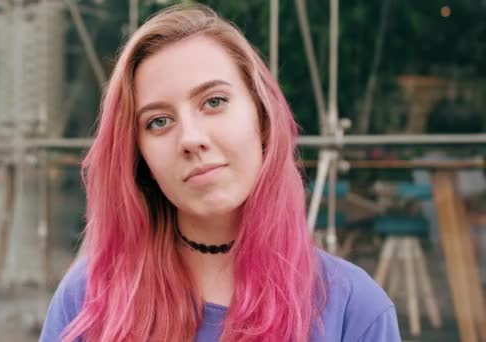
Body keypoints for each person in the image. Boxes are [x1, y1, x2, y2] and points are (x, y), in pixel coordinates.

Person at [40, 4, 399, 341]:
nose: (191, 139)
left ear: (262, 117)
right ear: (139, 156)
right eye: (159, 121)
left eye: (214, 102)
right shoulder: (87, 301)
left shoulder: (355, 309)